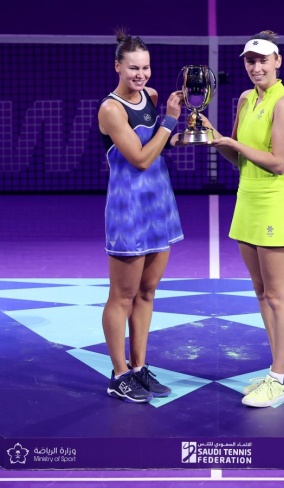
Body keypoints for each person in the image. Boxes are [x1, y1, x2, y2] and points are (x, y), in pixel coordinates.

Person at [198, 31, 284, 407]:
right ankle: (282, 368)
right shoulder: (246, 99)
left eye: (263, 60)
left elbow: (278, 162)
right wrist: (214, 137)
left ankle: (279, 378)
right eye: (250, 61)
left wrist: (234, 144)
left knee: (278, 296)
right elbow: (239, 158)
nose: (256, 67)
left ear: (277, 61)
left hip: (274, 204)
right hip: (246, 201)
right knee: (262, 292)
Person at [97, 30, 184, 403]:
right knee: (122, 296)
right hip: (128, 211)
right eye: (133, 67)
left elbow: (157, 146)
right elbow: (141, 159)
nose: (141, 74)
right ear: (118, 66)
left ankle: (138, 368)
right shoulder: (111, 109)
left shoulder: (151, 96)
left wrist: (185, 135)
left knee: (147, 292)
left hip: (158, 206)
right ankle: (118, 375)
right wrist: (170, 121)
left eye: (145, 67)